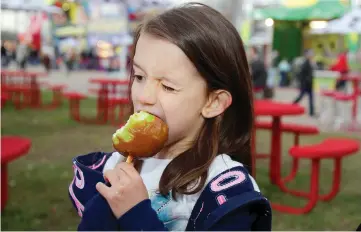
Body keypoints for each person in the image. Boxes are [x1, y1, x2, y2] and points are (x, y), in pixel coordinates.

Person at [68, 3, 271, 231]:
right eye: (139, 76)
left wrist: (135, 214)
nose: (144, 97)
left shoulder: (226, 190)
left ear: (213, 102)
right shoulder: (115, 166)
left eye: (167, 87)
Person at [293, 49, 315, 116]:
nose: (312, 55)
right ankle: (292, 105)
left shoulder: (310, 62)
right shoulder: (305, 63)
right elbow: (302, 74)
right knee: (301, 96)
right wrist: (305, 81)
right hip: (306, 84)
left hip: (308, 84)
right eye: (310, 54)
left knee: (310, 97)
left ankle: (311, 112)